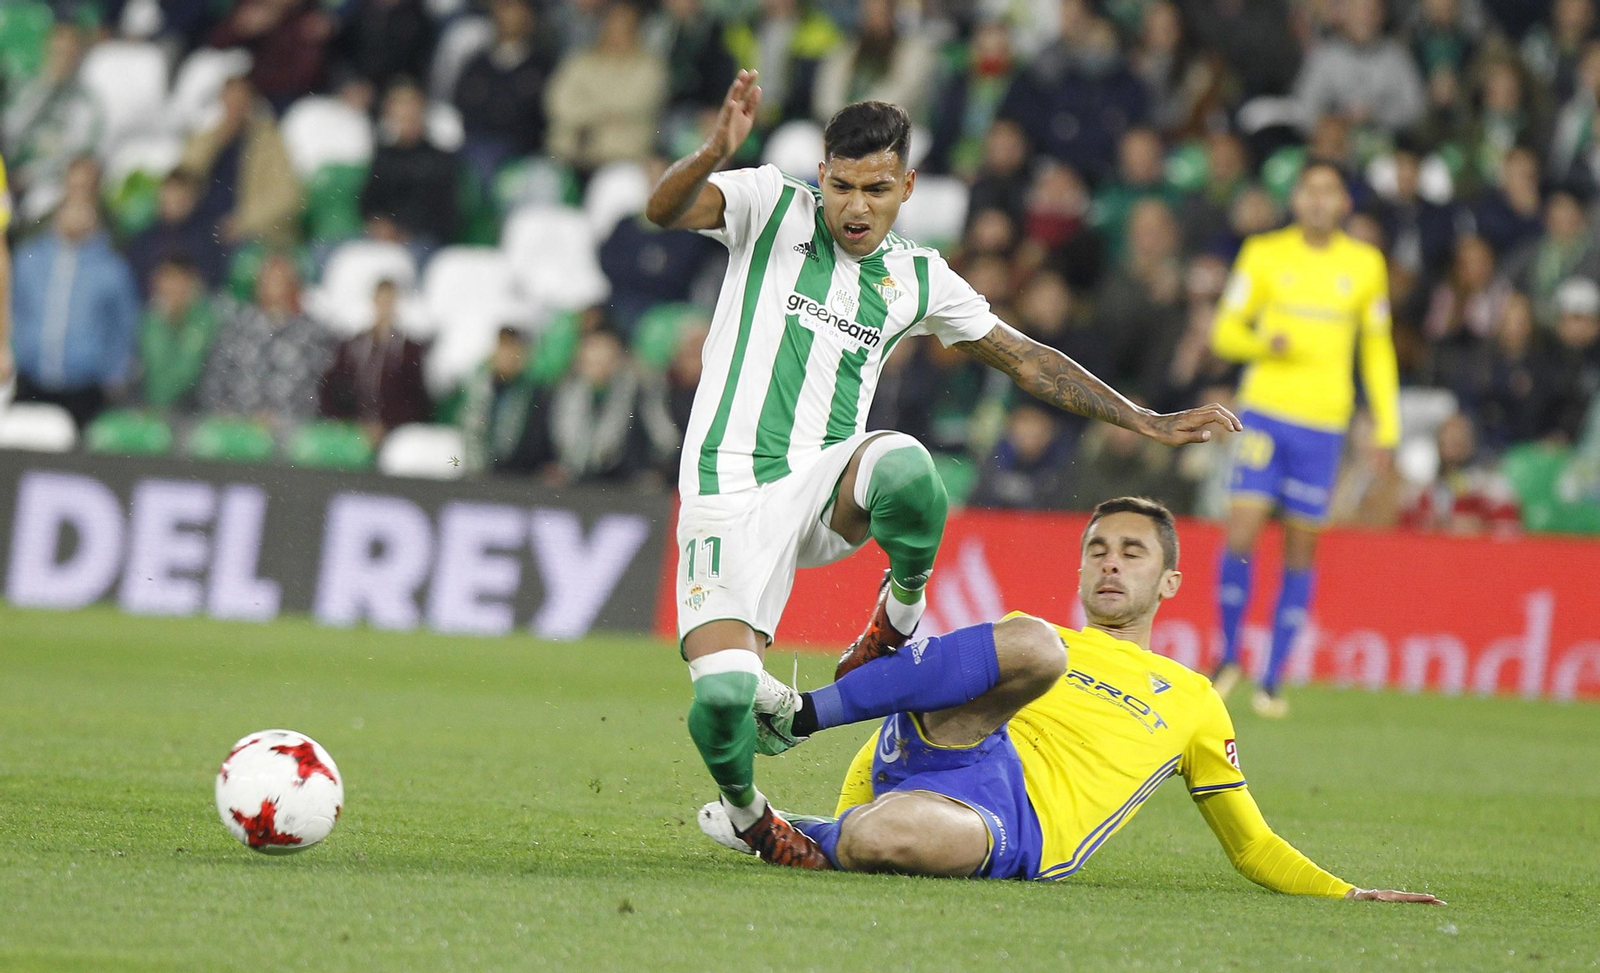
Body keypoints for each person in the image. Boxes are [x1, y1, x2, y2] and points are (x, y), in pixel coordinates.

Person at [645, 72, 1239, 859]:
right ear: (820, 175)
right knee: (723, 701)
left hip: (828, 486)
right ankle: (756, 817)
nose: (858, 207)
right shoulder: (768, 206)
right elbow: (664, 209)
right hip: (724, 497)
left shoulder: (917, 276)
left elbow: (1027, 360)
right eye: (843, 185)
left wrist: (1144, 418)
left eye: (879, 189)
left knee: (907, 466)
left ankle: (898, 612)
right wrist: (712, 152)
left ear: (909, 186)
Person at [700, 497, 1443, 906]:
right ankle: (798, 714)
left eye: (1132, 551)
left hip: (1011, 819)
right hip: (960, 741)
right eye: (1097, 548)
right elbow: (924, 718)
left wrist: (1347, 892)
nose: (1111, 562)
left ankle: (794, 831)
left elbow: (1249, 843)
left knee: (876, 841)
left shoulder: (1193, 700)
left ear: (1170, 582)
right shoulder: (1044, 635)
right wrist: (859, 788)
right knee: (1034, 645)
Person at [1207, 162, 1401, 717]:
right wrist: (1267, 338)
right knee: (1241, 526)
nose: (1318, 200)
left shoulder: (1364, 264)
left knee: (1301, 544)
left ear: (1344, 203)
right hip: (1266, 415)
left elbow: (1378, 349)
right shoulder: (1265, 253)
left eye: (1329, 191)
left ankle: (1274, 676)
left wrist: (1386, 424)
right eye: (1309, 190)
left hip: (1324, 425)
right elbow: (1225, 329)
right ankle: (1229, 657)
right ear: (1296, 199)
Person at [9, 197, 140, 429]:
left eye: (83, 210)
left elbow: (123, 326)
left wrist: (113, 373)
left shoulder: (111, 268)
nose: (75, 218)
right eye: (70, 209)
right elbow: (13, 309)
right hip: (31, 379)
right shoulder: (29, 259)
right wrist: (15, 354)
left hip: (85, 386)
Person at [317, 279, 432, 443]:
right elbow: (334, 388)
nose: (385, 307)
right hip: (353, 428)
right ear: (373, 301)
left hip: (394, 431)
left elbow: (416, 400)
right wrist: (348, 422)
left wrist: (387, 425)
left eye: (389, 301)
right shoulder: (353, 346)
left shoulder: (409, 351)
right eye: (381, 300)